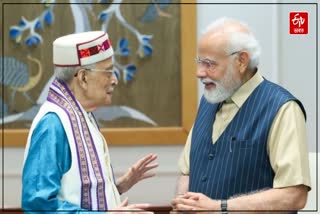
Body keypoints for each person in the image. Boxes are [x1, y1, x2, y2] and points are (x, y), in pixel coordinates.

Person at [171, 17, 311, 213]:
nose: (199, 72)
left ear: (241, 61)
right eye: (199, 62)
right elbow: (188, 172)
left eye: (209, 64)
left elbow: (294, 194)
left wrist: (219, 208)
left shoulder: (282, 108)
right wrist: (183, 202)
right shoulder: (208, 101)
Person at [21, 31, 158, 213]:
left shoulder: (81, 115)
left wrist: (118, 186)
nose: (114, 80)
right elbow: (37, 205)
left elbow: (75, 193)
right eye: (108, 72)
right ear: (83, 78)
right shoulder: (53, 124)